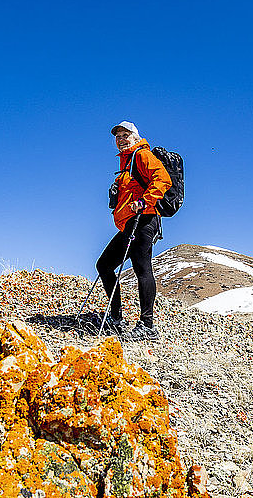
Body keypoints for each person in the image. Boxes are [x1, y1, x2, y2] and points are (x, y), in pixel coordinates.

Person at [96, 121, 172, 341]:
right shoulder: (126, 164)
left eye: (125, 135)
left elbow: (163, 179)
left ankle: (147, 326)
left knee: (142, 268)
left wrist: (143, 201)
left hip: (144, 220)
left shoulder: (141, 156)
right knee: (104, 265)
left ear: (136, 137)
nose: (121, 139)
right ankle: (116, 319)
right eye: (118, 136)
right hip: (131, 223)